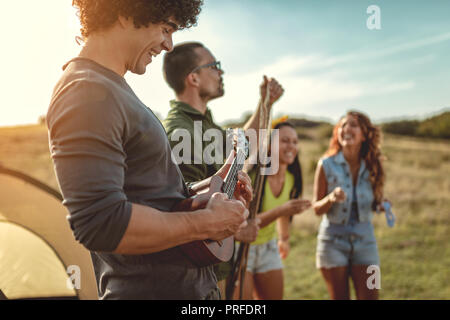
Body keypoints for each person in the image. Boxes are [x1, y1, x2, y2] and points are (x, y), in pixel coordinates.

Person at [46, 0, 253, 300]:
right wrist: (204, 223)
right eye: (166, 29)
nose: (169, 45)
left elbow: (151, 194)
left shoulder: (111, 86)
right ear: (127, 11)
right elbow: (101, 224)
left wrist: (215, 184)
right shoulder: (87, 90)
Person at [162, 41, 284, 296]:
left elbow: (244, 145)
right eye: (215, 66)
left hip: (216, 269)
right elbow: (184, 211)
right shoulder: (180, 130)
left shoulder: (204, 124)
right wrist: (237, 230)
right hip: (197, 277)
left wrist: (265, 103)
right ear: (193, 78)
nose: (221, 72)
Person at [313, 110, 388, 300]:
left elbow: (376, 199)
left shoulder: (374, 163)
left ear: (364, 134)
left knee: (372, 296)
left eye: (353, 125)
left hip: (366, 242)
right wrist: (331, 198)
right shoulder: (325, 164)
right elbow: (316, 208)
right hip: (332, 242)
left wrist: (380, 205)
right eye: (343, 125)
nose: (346, 129)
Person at [235, 120, 312, 300]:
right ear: (269, 146)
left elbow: (284, 215)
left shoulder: (293, 179)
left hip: (269, 247)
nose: (291, 146)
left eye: (295, 141)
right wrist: (281, 210)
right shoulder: (253, 178)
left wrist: (284, 238)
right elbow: (243, 224)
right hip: (241, 248)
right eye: (285, 140)